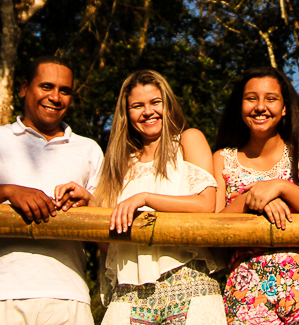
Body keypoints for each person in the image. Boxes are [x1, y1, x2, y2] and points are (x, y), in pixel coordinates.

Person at [0, 56, 103, 325]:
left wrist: (90, 203)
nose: (55, 97)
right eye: (46, 87)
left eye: (65, 90)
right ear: (24, 88)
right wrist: (8, 191)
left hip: (69, 297)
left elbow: (108, 234)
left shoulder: (88, 149)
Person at [94, 69, 226, 325]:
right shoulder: (119, 163)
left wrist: (145, 198)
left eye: (155, 102)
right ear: (126, 113)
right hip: (128, 290)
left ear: (168, 105)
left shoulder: (188, 140)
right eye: (137, 106)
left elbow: (206, 204)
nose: (148, 112)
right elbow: (107, 244)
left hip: (188, 282)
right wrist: (86, 201)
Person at [213, 67, 299, 325]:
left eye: (271, 98)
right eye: (251, 98)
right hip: (247, 293)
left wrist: (281, 187)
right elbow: (212, 228)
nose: (260, 106)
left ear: (284, 108)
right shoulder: (221, 159)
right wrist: (252, 198)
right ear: (240, 105)